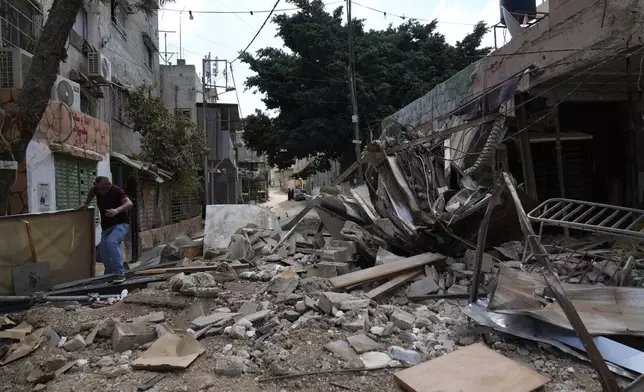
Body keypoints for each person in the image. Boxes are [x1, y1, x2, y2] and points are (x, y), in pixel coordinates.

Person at [80, 176, 133, 282]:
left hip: (121, 224)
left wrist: (117, 210)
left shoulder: (116, 191)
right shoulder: (96, 190)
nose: (102, 191)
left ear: (109, 185)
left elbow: (129, 203)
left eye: (104, 188)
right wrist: (86, 203)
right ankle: (109, 274)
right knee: (103, 250)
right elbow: (92, 191)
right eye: (99, 189)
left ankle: (119, 273)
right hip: (106, 227)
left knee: (111, 242)